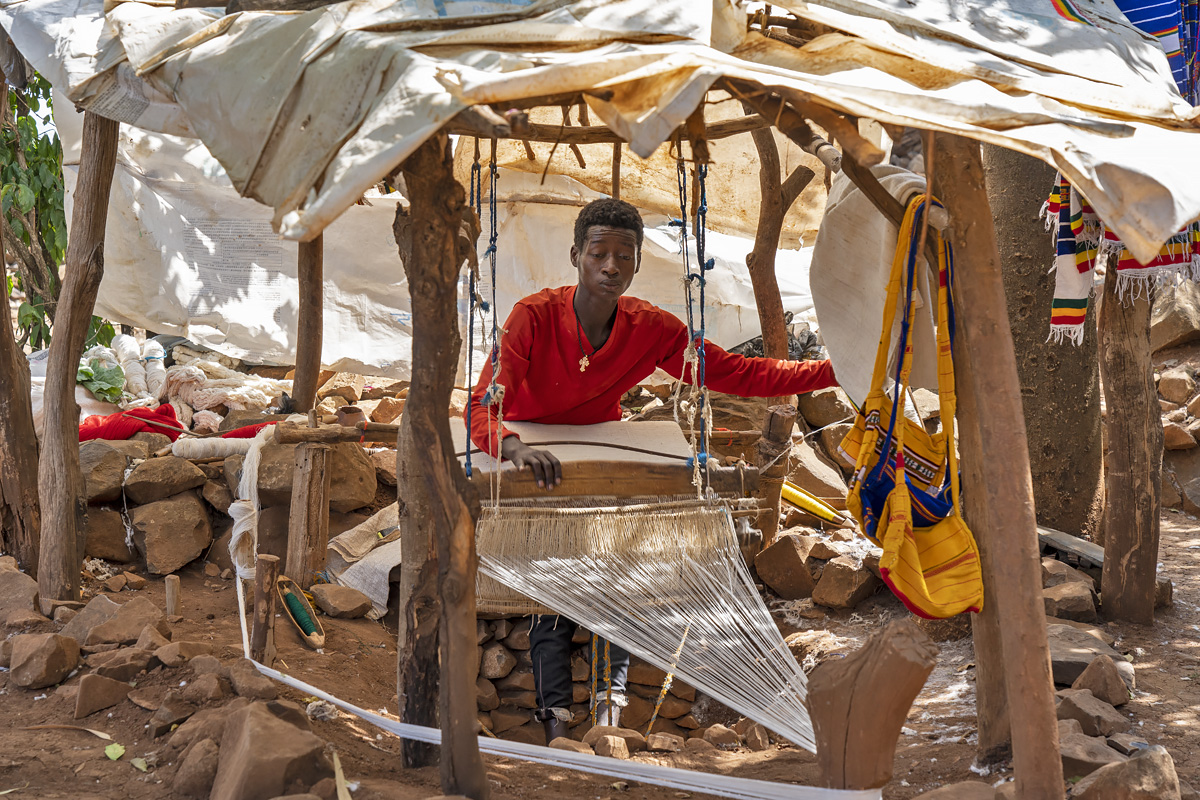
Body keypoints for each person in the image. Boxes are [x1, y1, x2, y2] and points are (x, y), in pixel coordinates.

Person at [468, 198, 837, 742]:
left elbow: (735, 372)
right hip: (536, 468)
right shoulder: (534, 316)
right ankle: (555, 721)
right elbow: (482, 404)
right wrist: (513, 447)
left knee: (612, 584)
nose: (610, 266)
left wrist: (835, 369)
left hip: (601, 455)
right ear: (576, 255)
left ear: (638, 262)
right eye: (598, 253)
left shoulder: (651, 328)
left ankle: (610, 717)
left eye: (624, 255)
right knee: (552, 589)